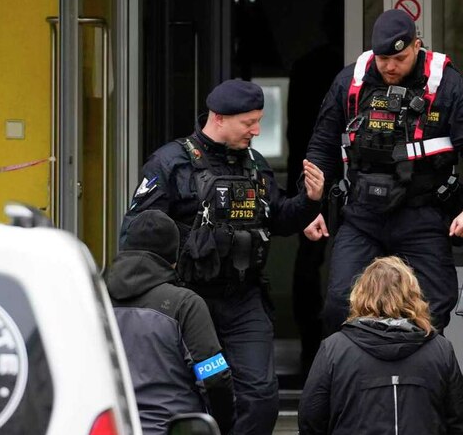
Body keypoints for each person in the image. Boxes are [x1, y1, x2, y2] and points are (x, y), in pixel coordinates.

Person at [121, 79, 325, 435]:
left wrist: (310, 200)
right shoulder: (171, 163)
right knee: (200, 391)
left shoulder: (255, 165)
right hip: (189, 300)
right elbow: (137, 233)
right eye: (249, 123)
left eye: (259, 121)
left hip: (244, 298)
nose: (257, 131)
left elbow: (278, 219)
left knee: (261, 397)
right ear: (219, 118)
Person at [303, 9, 463, 333]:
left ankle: (415, 373)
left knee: (434, 305)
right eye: (383, 59)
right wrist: (311, 207)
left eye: (400, 58)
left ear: (417, 46)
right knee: (339, 304)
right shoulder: (351, 82)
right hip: (363, 214)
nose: (390, 66)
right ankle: (363, 372)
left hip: (423, 213)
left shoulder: (447, 85)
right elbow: (321, 146)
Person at [298, 256, 463, 435]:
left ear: (360, 294)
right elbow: (459, 421)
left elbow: (311, 419)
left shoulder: (334, 348)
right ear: (413, 295)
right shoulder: (440, 349)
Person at [106, 210, 234, 435]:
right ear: (174, 260)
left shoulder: (94, 299)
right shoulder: (185, 305)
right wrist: (221, 426)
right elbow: (214, 378)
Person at [287, 0, 345, 373]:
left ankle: (313, 348)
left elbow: (295, 132)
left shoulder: (308, 66)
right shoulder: (350, 73)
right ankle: (331, 352)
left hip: (311, 170)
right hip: (336, 173)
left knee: (310, 261)